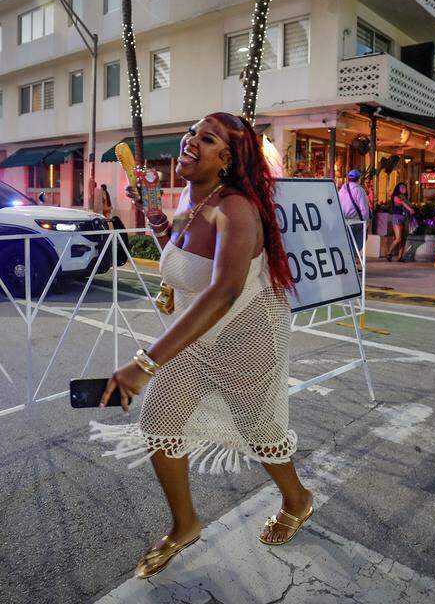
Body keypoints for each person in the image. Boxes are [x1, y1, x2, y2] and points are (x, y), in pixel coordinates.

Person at [90, 112, 312, 579]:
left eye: (206, 138)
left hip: (246, 338)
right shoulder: (194, 196)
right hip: (195, 337)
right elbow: (181, 253)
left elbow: (224, 289)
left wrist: (144, 363)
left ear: (227, 159)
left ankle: (298, 499)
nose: (190, 141)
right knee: (160, 423)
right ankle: (185, 523)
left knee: (260, 433)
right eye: (191, 132)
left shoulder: (235, 210)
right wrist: (156, 220)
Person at [338, 169, 369, 256]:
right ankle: (351, 263)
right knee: (357, 243)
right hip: (356, 222)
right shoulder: (359, 190)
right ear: (359, 179)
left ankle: (347, 263)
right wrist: (366, 223)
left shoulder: (341, 190)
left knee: (346, 244)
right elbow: (364, 209)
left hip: (343, 221)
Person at [385, 182, 414, 262]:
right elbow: (402, 203)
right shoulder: (396, 197)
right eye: (401, 187)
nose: (403, 189)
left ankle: (400, 256)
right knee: (398, 238)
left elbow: (406, 203)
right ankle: (389, 253)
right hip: (397, 218)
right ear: (398, 188)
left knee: (404, 238)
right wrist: (410, 209)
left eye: (404, 187)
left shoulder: (404, 197)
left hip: (405, 218)